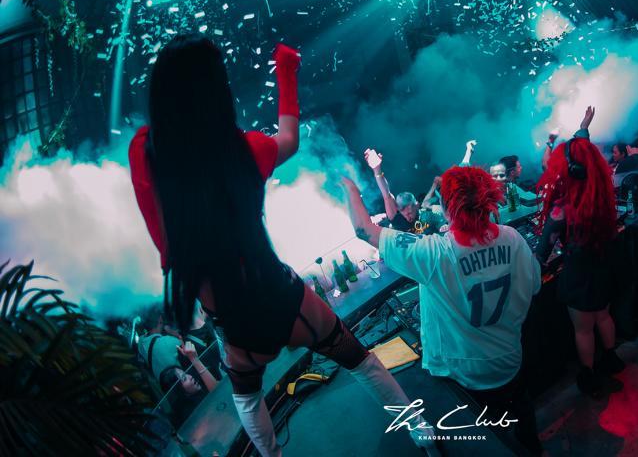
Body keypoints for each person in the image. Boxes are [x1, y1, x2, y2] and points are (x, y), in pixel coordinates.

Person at [128, 36, 435, 457]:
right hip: (282, 298)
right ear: (219, 93)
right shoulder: (244, 151)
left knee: (247, 399)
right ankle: (424, 435)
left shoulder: (146, 155)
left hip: (234, 324)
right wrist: (287, 69)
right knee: (360, 360)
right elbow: (290, 137)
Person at [342, 166, 544, 455]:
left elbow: (364, 230)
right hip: (510, 361)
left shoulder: (433, 252)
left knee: (488, 441)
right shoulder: (512, 238)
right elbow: (534, 285)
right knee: (524, 420)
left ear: (448, 210)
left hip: (465, 375)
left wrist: (349, 186)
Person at [535, 106, 624, 397]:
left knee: (583, 329)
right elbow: (581, 155)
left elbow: (541, 255)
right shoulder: (600, 197)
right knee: (604, 316)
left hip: (578, 274)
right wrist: (584, 127)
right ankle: (611, 358)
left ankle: (589, 376)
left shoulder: (562, 210)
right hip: (604, 265)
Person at [364, 148, 419, 233]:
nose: (408, 218)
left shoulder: (426, 214)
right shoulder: (397, 218)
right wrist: (377, 169)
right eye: (404, 214)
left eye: (409, 213)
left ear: (417, 205)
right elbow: (387, 195)